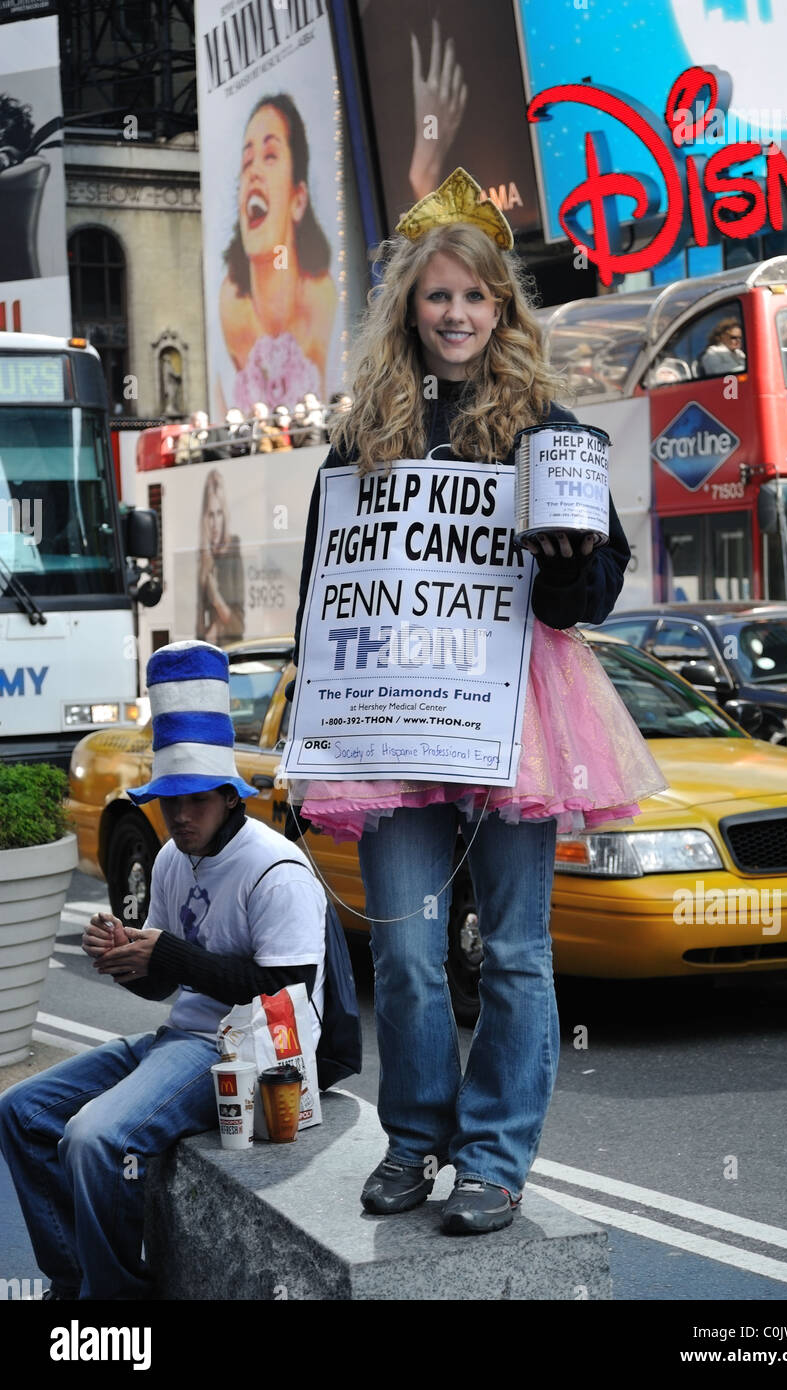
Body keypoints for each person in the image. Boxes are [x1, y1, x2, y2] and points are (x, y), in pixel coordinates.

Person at [287, 168, 665, 1234]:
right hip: (389, 707)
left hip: (517, 713)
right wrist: (303, 725)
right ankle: (414, 1138)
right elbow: (328, 585)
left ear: (501, 308)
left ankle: (496, 1157)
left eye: (475, 296)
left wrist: (562, 563)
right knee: (404, 950)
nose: (455, 314)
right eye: (436, 295)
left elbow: (588, 592)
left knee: (512, 949)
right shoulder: (363, 435)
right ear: (410, 307)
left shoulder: (548, 425)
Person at [0, 640, 326, 1300]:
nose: (179, 816)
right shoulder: (175, 858)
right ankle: (76, 1280)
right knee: (20, 1110)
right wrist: (125, 957)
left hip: (243, 1054)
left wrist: (166, 955)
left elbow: (288, 995)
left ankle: (116, 1304)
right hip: (179, 1040)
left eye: (196, 800)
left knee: (94, 1138)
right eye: (169, 801)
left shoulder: (278, 869)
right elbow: (163, 985)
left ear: (230, 797)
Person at [218, 93, 337, 414]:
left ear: (299, 200)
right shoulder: (229, 304)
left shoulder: (322, 300)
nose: (253, 172)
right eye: (246, 162)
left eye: (270, 155)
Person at [196, 469, 244, 646]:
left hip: (231, 651)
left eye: (219, 513)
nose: (215, 523)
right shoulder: (203, 557)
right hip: (208, 651)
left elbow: (238, 624)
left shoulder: (233, 547)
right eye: (210, 514)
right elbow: (199, 622)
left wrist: (215, 597)